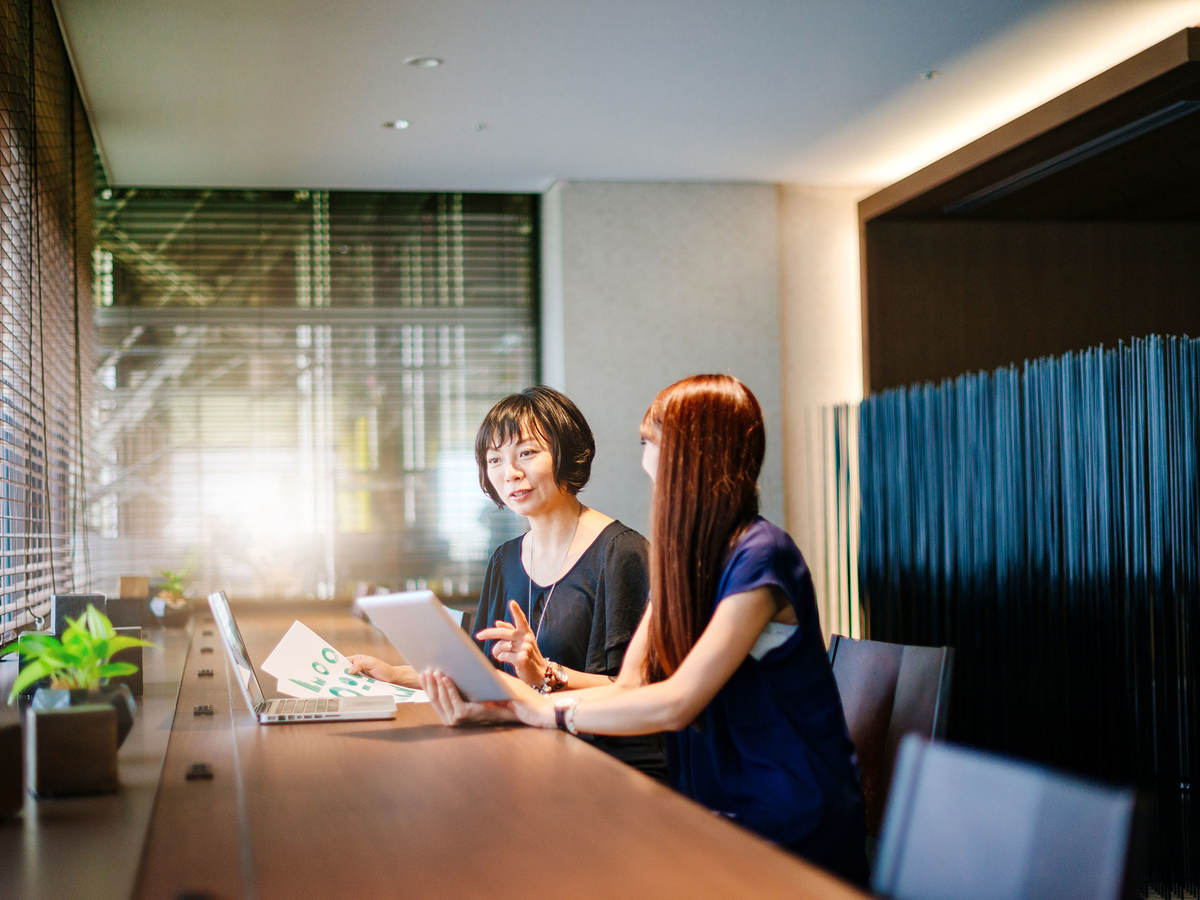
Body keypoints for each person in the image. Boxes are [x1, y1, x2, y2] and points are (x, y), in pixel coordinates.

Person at [420, 375, 868, 884]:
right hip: (707, 799)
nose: (644, 458)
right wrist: (516, 704)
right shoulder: (684, 558)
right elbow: (633, 685)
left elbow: (678, 700)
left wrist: (546, 713)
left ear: (697, 452)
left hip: (783, 813)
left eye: (651, 441)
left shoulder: (762, 555)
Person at [349, 385, 666, 781]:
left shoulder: (622, 554)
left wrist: (545, 673)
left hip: (605, 762)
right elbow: (483, 671)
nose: (509, 472)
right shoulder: (505, 559)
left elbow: (635, 689)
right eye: (494, 459)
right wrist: (394, 674)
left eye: (527, 453)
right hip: (530, 749)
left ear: (567, 453)